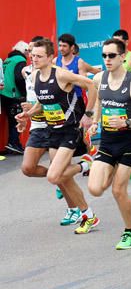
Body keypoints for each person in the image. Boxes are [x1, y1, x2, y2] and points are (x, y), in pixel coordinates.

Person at [17, 39, 99, 233]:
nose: (34, 59)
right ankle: (88, 215)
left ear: (50, 57)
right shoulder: (35, 76)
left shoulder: (61, 75)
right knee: (63, 179)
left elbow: (92, 85)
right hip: (52, 130)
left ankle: (87, 164)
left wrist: (88, 115)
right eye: (32, 55)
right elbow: (41, 104)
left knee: (54, 176)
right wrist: (28, 114)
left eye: (39, 56)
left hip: (69, 130)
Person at [86, 39, 131, 249]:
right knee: (95, 189)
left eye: (112, 55)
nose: (107, 59)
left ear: (123, 56)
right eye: (104, 55)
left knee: (117, 191)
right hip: (107, 141)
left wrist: (128, 122)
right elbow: (99, 101)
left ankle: (130, 232)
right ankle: (113, 169)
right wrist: (95, 122)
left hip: (128, 143)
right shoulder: (99, 78)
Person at [1, 41, 28, 154]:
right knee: (18, 119)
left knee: (12, 120)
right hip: (14, 94)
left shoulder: (8, 60)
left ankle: (13, 144)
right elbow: (19, 78)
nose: (29, 54)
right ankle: (14, 143)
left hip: (4, 93)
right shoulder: (20, 60)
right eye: (28, 51)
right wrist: (24, 93)